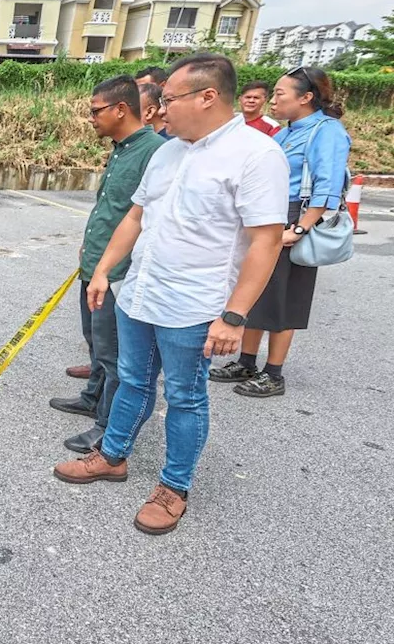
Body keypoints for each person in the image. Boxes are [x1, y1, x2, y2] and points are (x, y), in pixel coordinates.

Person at [53, 53, 288, 535]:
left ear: (207, 97)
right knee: (132, 381)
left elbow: (265, 241)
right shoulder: (167, 152)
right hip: (140, 293)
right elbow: (136, 217)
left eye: (168, 99)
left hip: (195, 305)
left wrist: (234, 316)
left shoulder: (257, 155)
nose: (159, 109)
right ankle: (113, 456)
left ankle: (173, 488)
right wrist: (102, 272)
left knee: (185, 397)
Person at [209, 67, 351, 397]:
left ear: (306, 97)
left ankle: (274, 373)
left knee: (287, 299)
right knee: (258, 291)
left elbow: (327, 188)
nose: (273, 100)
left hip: (294, 218)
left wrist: (300, 228)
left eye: (280, 94)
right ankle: (246, 360)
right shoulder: (286, 132)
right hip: (272, 216)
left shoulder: (326, 131)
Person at [49, 76, 165, 452]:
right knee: (96, 341)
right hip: (96, 265)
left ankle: (107, 426)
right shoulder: (120, 148)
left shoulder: (153, 152)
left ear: (120, 109)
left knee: (115, 354)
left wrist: (111, 263)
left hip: (119, 273)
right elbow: (109, 206)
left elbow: (143, 218)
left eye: (95, 110)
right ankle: (93, 396)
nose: (91, 117)